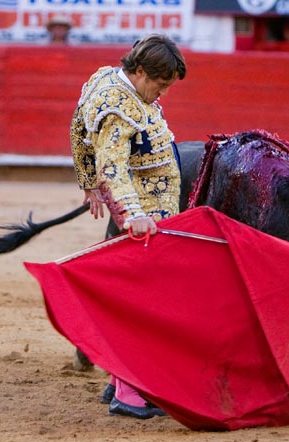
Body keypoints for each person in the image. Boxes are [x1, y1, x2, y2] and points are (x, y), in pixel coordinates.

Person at [69, 33, 187, 419]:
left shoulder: (105, 78)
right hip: (147, 214)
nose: (162, 93)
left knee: (139, 300)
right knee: (146, 305)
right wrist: (133, 214)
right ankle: (130, 396)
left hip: (150, 211)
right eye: (159, 84)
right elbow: (114, 167)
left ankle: (119, 385)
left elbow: (78, 126)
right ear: (138, 71)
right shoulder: (120, 107)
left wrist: (88, 183)